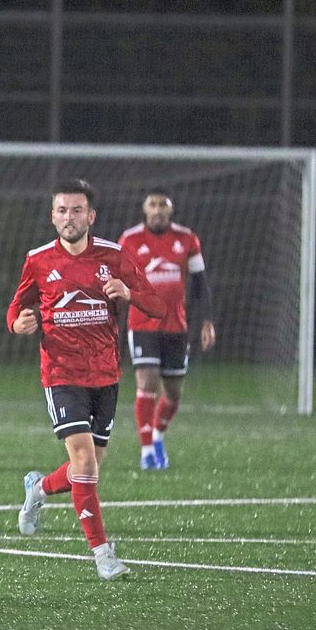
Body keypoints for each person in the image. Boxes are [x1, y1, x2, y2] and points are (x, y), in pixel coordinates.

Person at [7, 179, 165, 581]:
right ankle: (102, 554)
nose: (69, 218)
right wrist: (17, 323)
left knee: (89, 465)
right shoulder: (38, 260)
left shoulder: (114, 256)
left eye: (77, 210)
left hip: (105, 374)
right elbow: (17, 308)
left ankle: (39, 489)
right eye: (62, 210)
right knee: (84, 462)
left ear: (90, 216)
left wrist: (128, 292)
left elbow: (158, 306)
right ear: (52, 216)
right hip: (61, 374)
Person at [118, 189, 216, 470]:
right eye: (153, 204)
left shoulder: (187, 239)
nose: (158, 209)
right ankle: (147, 451)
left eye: (163, 204)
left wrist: (207, 321)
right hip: (142, 324)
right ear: (144, 208)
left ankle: (158, 435)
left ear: (170, 209)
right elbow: (115, 279)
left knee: (173, 394)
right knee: (146, 381)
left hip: (175, 327)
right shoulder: (129, 240)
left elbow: (200, 283)